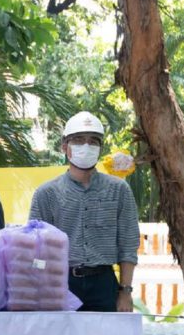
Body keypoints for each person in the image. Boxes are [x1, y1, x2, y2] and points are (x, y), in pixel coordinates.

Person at [29, 111, 140, 312]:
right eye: (79, 140)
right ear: (65, 147)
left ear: (100, 149)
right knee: (62, 334)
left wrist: (125, 291)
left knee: (105, 334)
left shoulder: (119, 190)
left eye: (93, 141)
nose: (86, 146)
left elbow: (128, 242)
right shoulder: (46, 193)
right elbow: (36, 247)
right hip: (60, 283)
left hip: (104, 284)